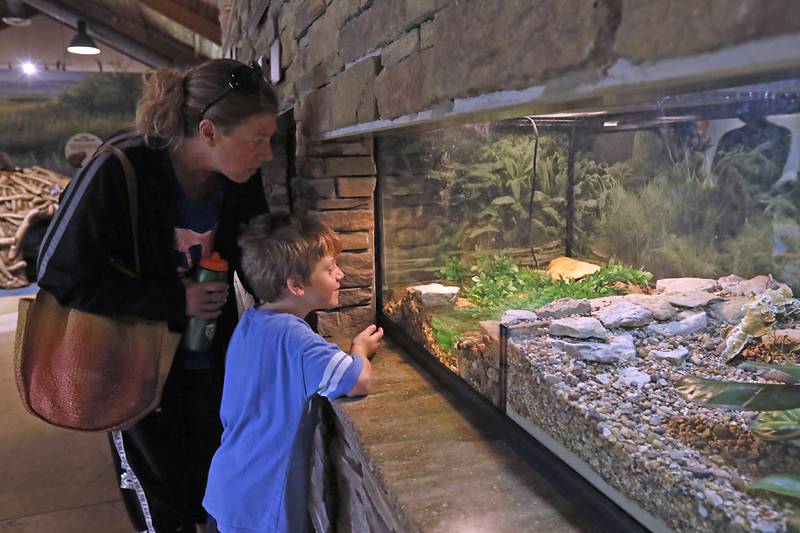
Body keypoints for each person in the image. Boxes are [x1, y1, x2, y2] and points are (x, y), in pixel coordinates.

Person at [35, 58, 278, 533]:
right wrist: (174, 300)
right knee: (159, 503)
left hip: (210, 362)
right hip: (135, 371)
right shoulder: (119, 166)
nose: (268, 154)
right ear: (209, 132)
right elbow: (58, 273)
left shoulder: (236, 178)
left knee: (214, 489)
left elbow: (253, 252)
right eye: (258, 139)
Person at [202, 214, 383, 533]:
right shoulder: (296, 340)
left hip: (229, 485)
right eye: (329, 269)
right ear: (296, 285)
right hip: (261, 504)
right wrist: (359, 350)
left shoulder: (252, 321)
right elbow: (357, 380)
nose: (340, 274)